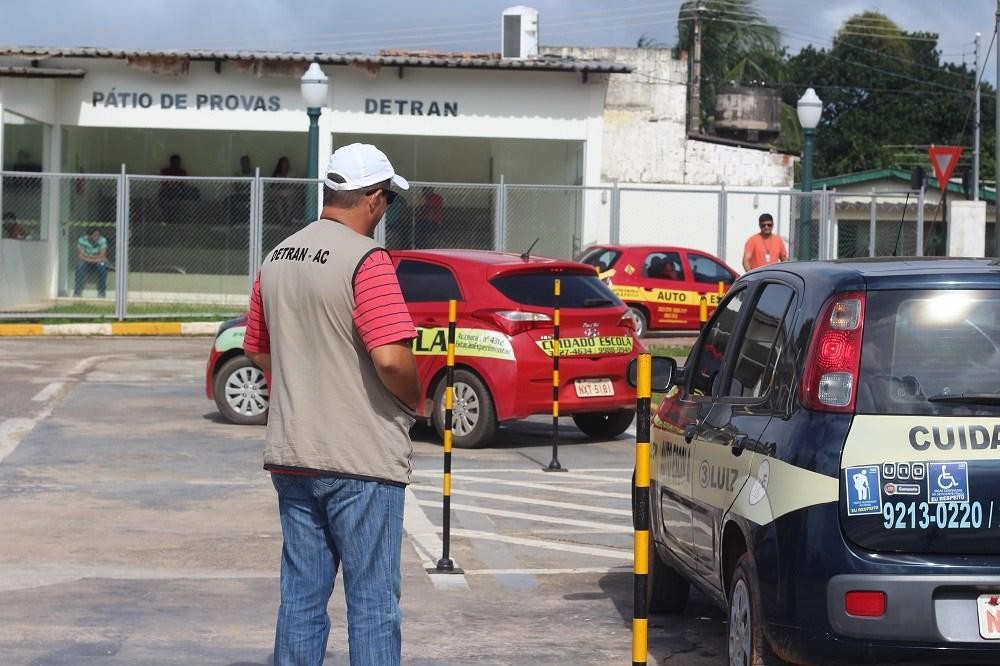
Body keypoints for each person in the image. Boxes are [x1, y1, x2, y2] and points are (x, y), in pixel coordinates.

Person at [243, 143, 420, 666]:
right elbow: (390, 359)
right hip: (360, 460)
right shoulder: (367, 261)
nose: (385, 208)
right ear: (370, 198)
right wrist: (419, 400)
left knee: (300, 598)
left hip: (293, 454)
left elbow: (257, 348)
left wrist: (302, 391)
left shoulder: (276, 258)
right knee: (371, 604)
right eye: (387, 197)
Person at [74, 227, 109, 297]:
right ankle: (77, 292)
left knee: (102, 266)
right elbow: (80, 255)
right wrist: (96, 257)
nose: (97, 237)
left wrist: (88, 257)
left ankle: (101, 292)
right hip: (86, 262)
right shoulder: (82, 240)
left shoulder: (102, 240)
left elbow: (103, 256)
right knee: (80, 266)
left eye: (98, 235)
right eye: (95, 235)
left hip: (97, 262)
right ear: (89, 236)